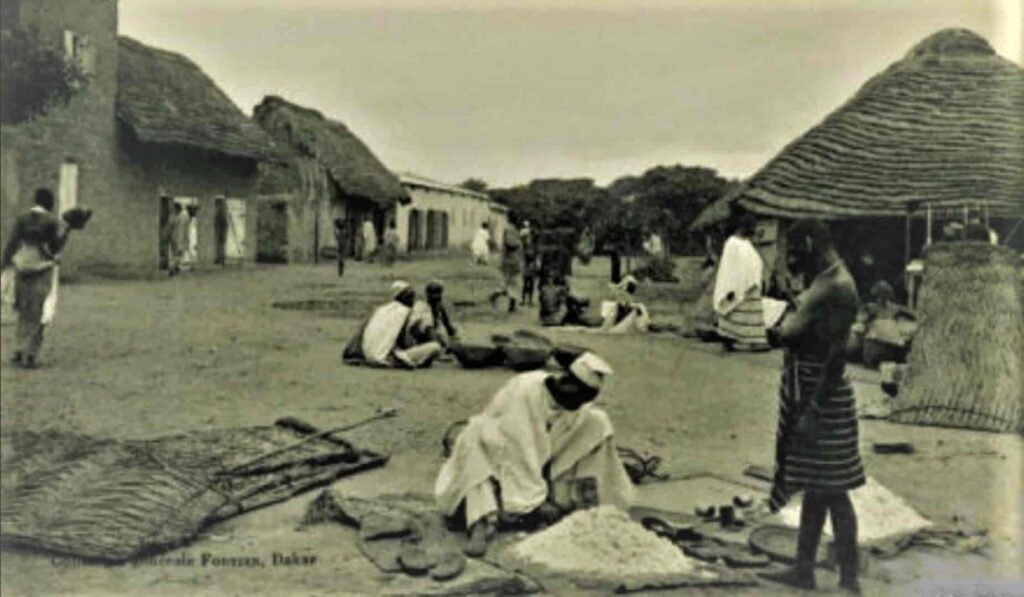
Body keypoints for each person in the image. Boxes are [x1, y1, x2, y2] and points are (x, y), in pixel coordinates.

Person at [435, 352, 634, 557]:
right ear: (566, 383)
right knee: (473, 444)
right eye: (578, 399)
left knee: (598, 422)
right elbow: (521, 448)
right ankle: (482, 523)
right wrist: (538, 501)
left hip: (532, 458)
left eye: (585, 400)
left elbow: (549, 439)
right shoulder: (527, 390)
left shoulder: (572, 403)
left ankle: (588, 499)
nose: (579, 406)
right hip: (496, 447)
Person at [760, 219, 864, 593]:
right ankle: (804, 570)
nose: (791, 260)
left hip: (822, 395)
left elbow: (835, 356)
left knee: (833, 490)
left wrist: (814, 410)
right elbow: (805, 329)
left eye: (793, 250)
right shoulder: (828, 280)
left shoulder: (837, 286)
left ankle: (849, 580)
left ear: (807, 241)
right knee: (818, 485)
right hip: (814, 390)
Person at [1, 188, 72, 368]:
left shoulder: (22, 219)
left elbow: (11, 244)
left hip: (22, 266)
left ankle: (18, 350)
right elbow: (54, 248)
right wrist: (67, 231)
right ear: (49, 203)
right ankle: (30, 353)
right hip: (42, 269)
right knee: (39, 311)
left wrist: (2, 265)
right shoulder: (52, 221)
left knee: (23, 310)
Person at [343, 281, 444, 369]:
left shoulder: (380, 310)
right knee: (435, 347)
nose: (412, 300)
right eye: (409, 297)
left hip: (370, 356)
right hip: (389, 357)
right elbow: (403, 341)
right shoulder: (405, 311)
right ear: (400, 297)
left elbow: (357, 338)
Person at [713, 214, 769, 351]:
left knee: (750, 312)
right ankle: (730, 338)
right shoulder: (732, 242)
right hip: (736, 283)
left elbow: (753, 261)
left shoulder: (746, 243)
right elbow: (728, 265)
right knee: (734, 309)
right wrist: (732, 284)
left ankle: (752, 340)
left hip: (749, 284)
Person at [409, 280, 458, 348]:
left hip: (431, 334)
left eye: (438, 293)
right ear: (428, 295)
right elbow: (427, 329)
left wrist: (452, 336)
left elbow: (448, 326)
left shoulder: (439, 307)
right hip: (420, 337)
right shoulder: (423, 307)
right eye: (433, 294)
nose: (436, 297)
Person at [490, 222, 523, 312]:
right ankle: (495, 295)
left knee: (515, 285)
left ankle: (511, 306)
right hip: (510, 263)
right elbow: (510, 243)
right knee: (510, 285)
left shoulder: (513, 230)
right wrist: (519, 242)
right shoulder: (510, 230)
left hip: (513, 262)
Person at [164, 202, 190, 276]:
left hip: (177, 238)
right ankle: (174, 267)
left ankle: (174, 268)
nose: (173, 210)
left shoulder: (181, 216)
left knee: (177, 254)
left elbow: (171, 226)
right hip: (176, 238)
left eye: (174, 209)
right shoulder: (182, 216)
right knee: (177, 254)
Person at [520, 220, 539, 306]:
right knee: (528, 283)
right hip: (529, 264)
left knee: (528, 283)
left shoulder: (532, 245)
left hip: (530, 264)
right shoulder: (527, 245)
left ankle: (527, 300)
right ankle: (526, 300)